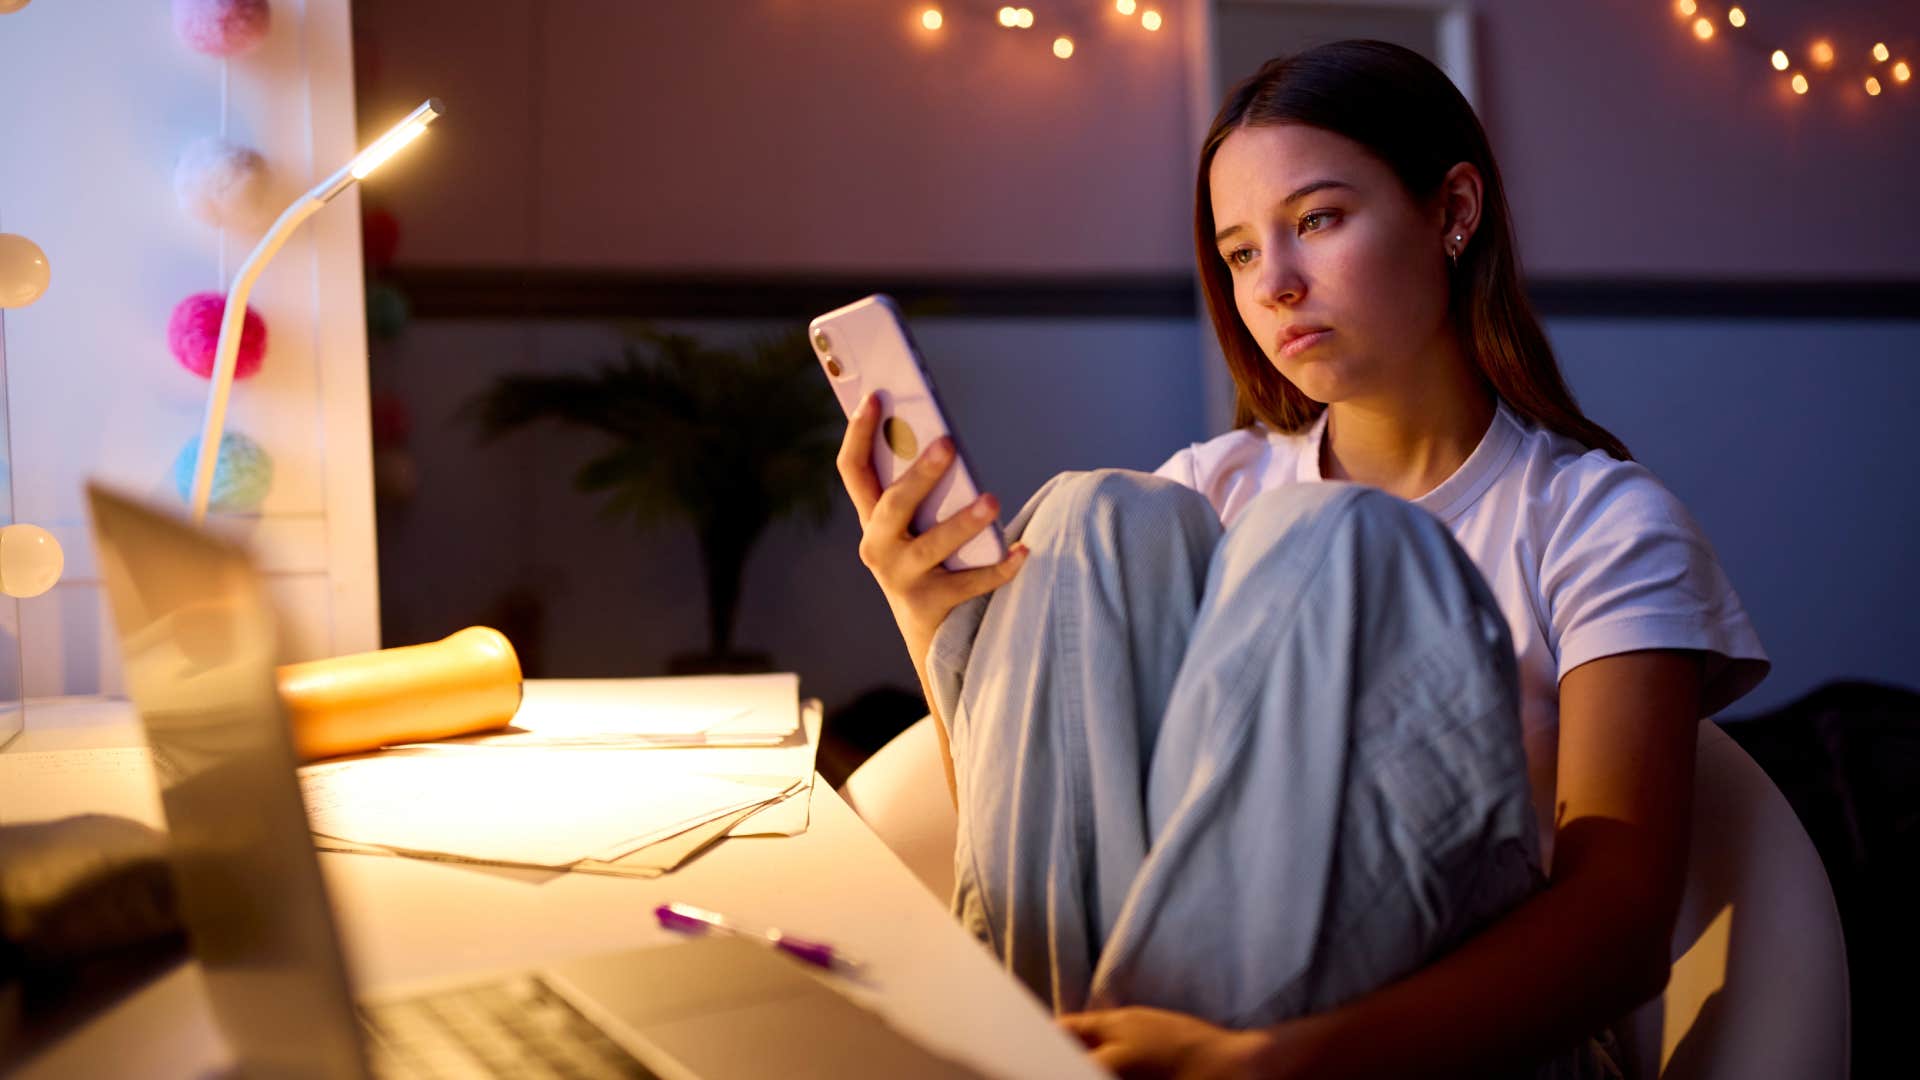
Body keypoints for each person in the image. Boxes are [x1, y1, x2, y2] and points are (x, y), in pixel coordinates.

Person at [835, 40, 1768, 1079]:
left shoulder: (1598, 519)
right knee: (1092, 516)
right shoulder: (1201, 490)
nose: (1274, 284)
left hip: (1433, 1049)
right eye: (1238, 252)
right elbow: (1058, 837)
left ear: (1454, 213)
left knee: (1339, 540)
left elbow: (1618, 933)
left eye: (1316, 221)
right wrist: (927, 618)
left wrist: (1276, 1062)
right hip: (1124, 1030)